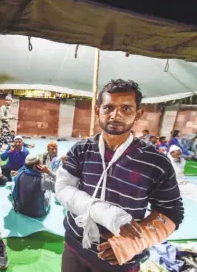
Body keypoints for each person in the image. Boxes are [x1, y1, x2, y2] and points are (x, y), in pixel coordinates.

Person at [56, 79, 184, 272]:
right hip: (75, 245)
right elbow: (63, 189)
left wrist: (130, 244)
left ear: (138, 113)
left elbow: (172, 212)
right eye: (108, 108)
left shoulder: (156, 163)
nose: (115, 115)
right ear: (97, 110)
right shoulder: (81, 150)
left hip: (121, 259)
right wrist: (106, 213)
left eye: (126, 109)